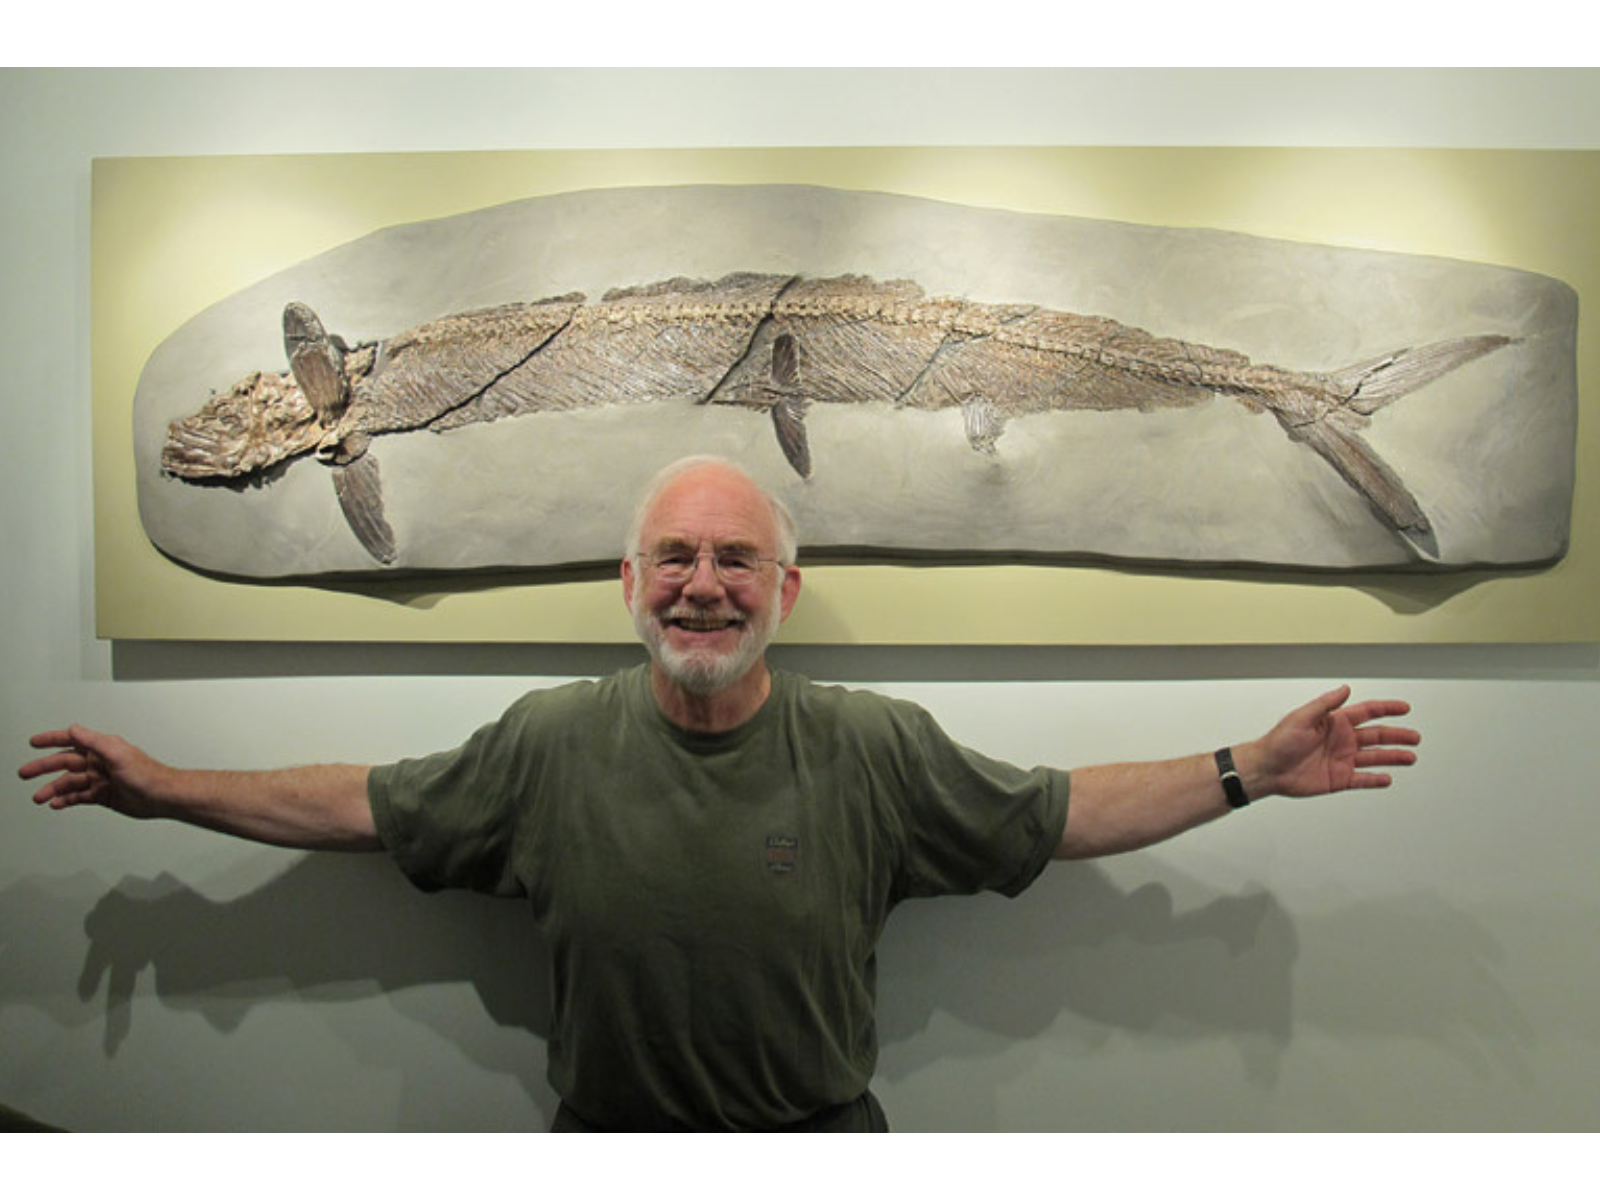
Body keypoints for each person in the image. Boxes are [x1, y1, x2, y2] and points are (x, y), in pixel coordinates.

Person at [19, 455, 1420, 1131]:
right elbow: (357, 808)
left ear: (785, 590)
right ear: (627, 586)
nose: (704, 585)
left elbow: (1056, 816)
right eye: (675, 558)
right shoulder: (544, 746)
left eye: (737, 560)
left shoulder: (872, 746)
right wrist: (169, 790)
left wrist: (1250, 769)